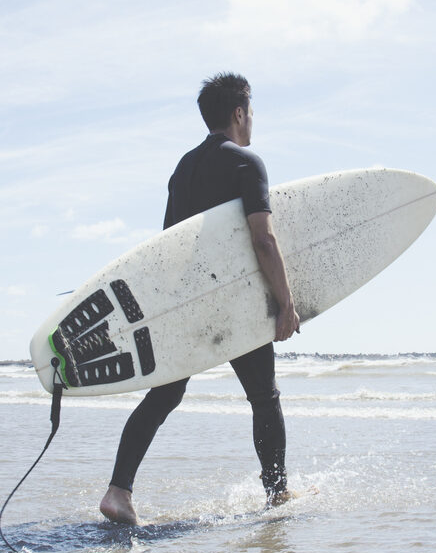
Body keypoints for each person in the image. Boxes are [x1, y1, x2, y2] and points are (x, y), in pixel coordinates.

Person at [100, 73, 300, 525]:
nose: (253, 121)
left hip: (188, 304)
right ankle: (277, 493)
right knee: (264, 399)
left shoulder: (183, 168)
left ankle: (118, 491)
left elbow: (167, 246)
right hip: (233, 303)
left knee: (164, 396)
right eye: (251, 112)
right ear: (238, 112)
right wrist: (285, 302)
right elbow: (263, 240)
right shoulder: (247, 163)